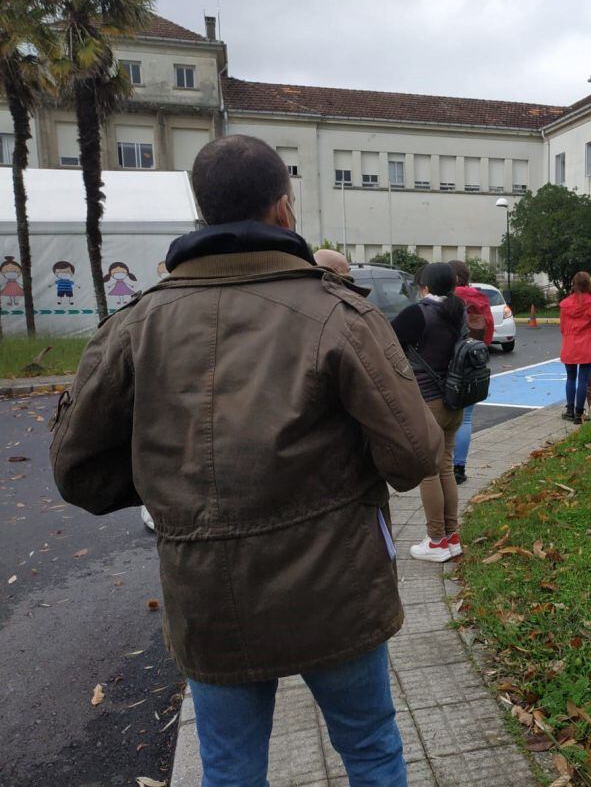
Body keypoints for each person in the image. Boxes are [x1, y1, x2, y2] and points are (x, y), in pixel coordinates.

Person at [50, 134, 443, 787]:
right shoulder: (338, 312)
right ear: (283, 211)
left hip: (210, 596)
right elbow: (413, 455)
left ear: (203, 214)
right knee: (372, 749)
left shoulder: (133, 326)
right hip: (336, 588)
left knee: (230, 768)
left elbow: (77, 470)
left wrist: (171, 488)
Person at [391, 262, 469, 563]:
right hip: (454, 402)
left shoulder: (417, 313)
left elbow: (386, 341)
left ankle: (435, 541)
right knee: (445, 467)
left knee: (429, 472)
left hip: (428, 402)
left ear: (423, 286)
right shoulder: (457, 311)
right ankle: (451, 536)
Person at [447, 259, 494, 485]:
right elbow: (489, 332)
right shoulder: (480, 299)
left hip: (448, 363)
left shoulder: (446, 298)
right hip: (472, 363)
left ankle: (443, 466)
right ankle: (459, 467)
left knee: (441, 416)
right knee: (465, 418)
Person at [559, 271, 591, 424]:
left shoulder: (565, 304)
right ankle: (579, 413)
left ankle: (569, 410)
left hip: (570, 343)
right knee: (583, 379)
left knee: (570, 377)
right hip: (587, 343)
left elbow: (563, 327)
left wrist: (569, 336)